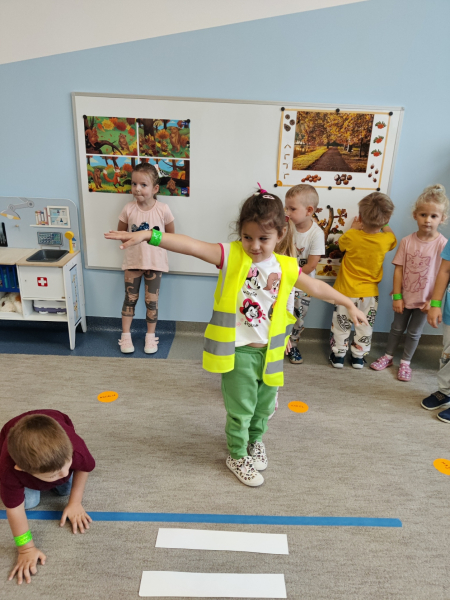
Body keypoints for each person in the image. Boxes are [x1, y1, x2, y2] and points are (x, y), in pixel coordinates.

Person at [106, 188, 368, 486]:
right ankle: (236, 454)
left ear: (281, 234)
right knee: (241, 410)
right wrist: (148, 235)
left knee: (264, 408)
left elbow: (316, 287)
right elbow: (190, 245)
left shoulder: (285, 267)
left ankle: (255, 441)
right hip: (239, 351)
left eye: (263, 239)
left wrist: (347, 303)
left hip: (271, 352)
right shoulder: (230, 255)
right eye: (247, 237)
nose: (254, 246)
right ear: (240, 233)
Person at [0, 410, 95, 584]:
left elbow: (84, 468)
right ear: (22, 469)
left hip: (55, 421)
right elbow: (14, 510)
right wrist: (25, 548)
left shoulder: (75, 449)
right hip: (13, 443)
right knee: (29, 502)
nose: (65, 474)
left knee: (66, 489)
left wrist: (75, 502)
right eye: (53, 474)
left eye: (68, 464)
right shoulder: (9, 470)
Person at [371, 184, 448, 381]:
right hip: (404, 298)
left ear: (442, 218)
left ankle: (405, 362)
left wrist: (434, 302)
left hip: (426, 301)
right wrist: (397, 296)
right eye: (423, 215)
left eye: (433, 216)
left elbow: (445, 275)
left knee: (414, 332)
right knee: (396, 328)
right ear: (415, 215)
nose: (428, 220)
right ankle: (388, 356)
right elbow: (398, 269)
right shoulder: (406, 241)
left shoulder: (443, 245)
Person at [329, 192, 396, 369]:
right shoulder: (385, 240)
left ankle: (338, 356)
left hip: (345, 291)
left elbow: (341, 245)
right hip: (369, 294)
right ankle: (358, 357)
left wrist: (353, 228)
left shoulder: (352, 236)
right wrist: (385, 223)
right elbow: (392, 238)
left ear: (360, 217)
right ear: (387, 218)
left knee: (341, 324)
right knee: (365, 326)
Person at [117, 162, 175, 354]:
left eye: (143, 185)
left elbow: (171, 238)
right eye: (134, 184)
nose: (137, 189)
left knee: (152, 302)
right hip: (133, 263)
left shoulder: (163, 209)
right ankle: (126, 335)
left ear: (155, 188)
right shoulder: (128, 209)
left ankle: (150, 336)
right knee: (129, 299)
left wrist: (150, 237)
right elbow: (121, 233)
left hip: (155, 264)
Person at [284, 184, 325, 364]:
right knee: (278, 313)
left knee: (298, 318)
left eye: (292, 209)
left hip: (302, 286)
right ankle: (278, 343)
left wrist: (293, 278)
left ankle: (293, 345)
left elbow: (311, 264)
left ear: (309, 210)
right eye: (286, 208)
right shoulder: (286, 227)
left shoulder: (316, 234)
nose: (287, 212)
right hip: (283, 282)